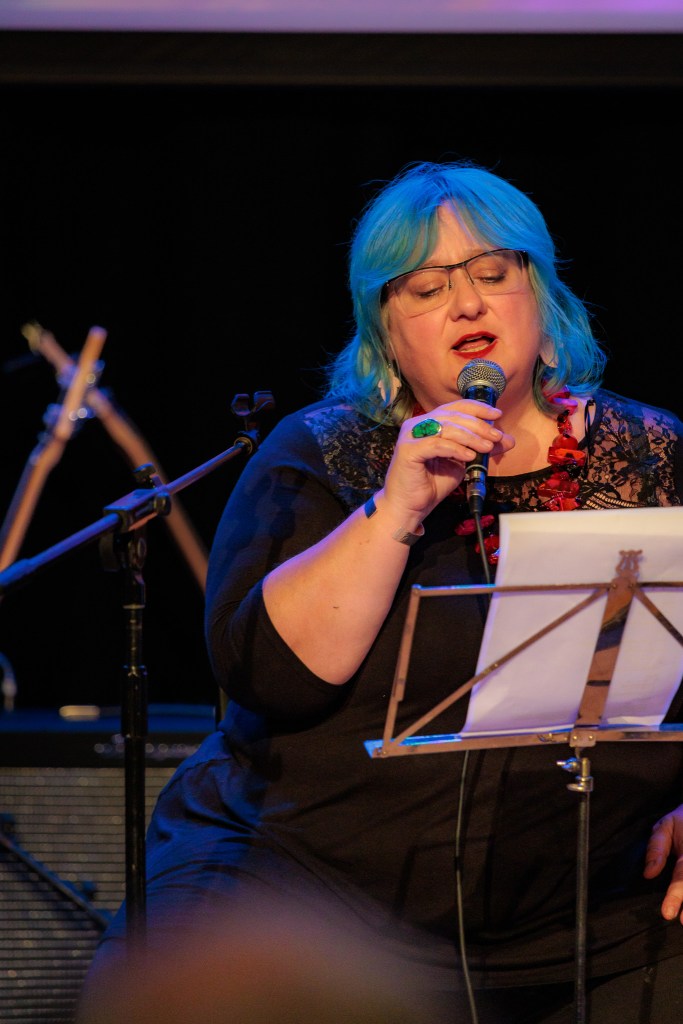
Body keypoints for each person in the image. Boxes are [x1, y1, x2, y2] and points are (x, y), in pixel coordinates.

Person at [77, 159, 683, 1024]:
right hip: (308, 890)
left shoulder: (650, 452)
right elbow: (276, 679)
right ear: (385, 337)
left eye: (491, 274)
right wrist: (397, 506)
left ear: (543, 300)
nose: (466, 305)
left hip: (584, 901)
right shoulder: (323, 453)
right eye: (425, 289)